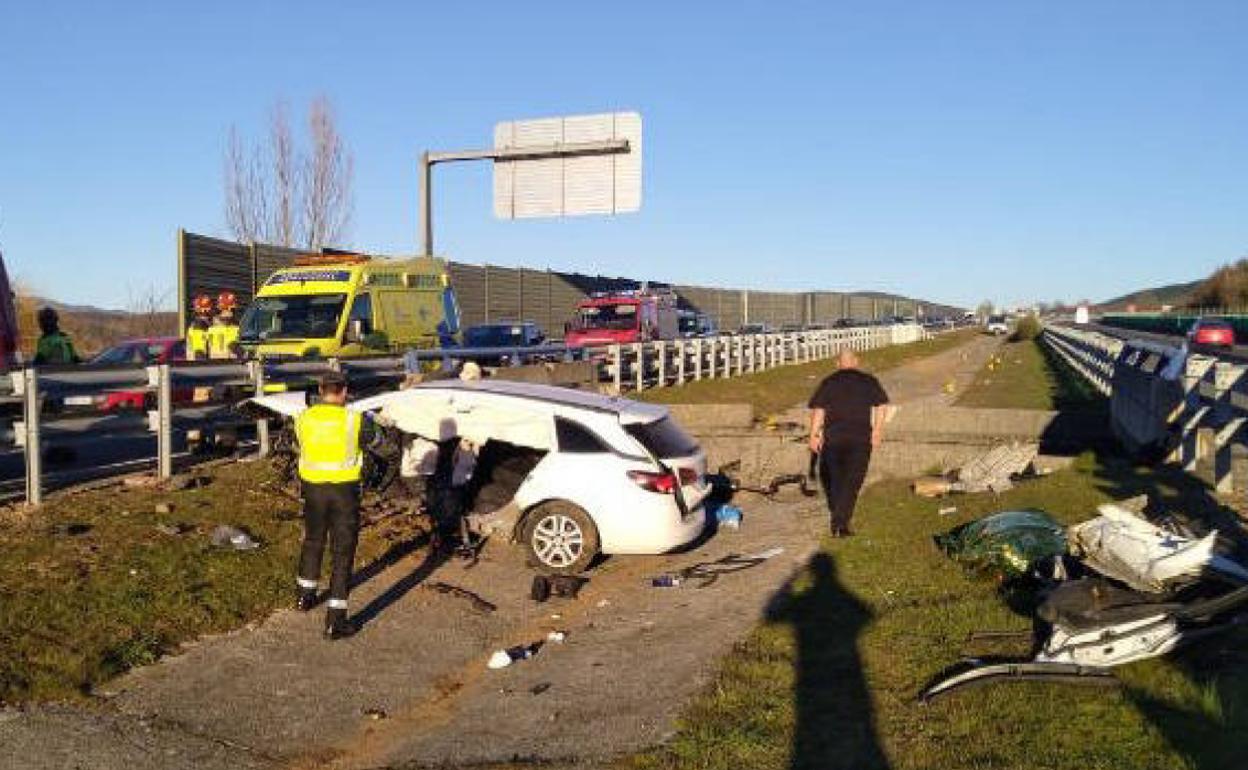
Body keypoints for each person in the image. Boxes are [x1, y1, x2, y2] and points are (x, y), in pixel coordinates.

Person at [293, 371, 381, 640]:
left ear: (321, 390)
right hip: (344, 491)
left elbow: (303, 443)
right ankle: (336, 619)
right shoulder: (355, 420)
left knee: (313, 540)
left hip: (313, 489)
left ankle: (305, 596)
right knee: (342, 551)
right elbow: (376, 441)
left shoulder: (303, 417)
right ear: (344, 391)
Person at [807, 349, 890, 537]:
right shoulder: (869, 381)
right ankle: (841, 523)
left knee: (836, 481)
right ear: (856, 362)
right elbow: (882, 405)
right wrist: (877, 431)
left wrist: (813, 435)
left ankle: (839, 519)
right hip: (859, 439)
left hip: (833, 440)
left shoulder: (828, 382)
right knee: (853, 481)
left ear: (837, 364)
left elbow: (818, 410)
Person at [207, 291, 241, 359]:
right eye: (234, 307)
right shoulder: (232, 327)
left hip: (213, 365)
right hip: (230, 365)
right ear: (230, 308)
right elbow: (233, 346)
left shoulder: (211, 327)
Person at [186, 294, 214, 360]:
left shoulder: (197, 325)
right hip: (200, 366)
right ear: (204, 310)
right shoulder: (199, 327)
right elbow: (199, 352)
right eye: (210, 308)